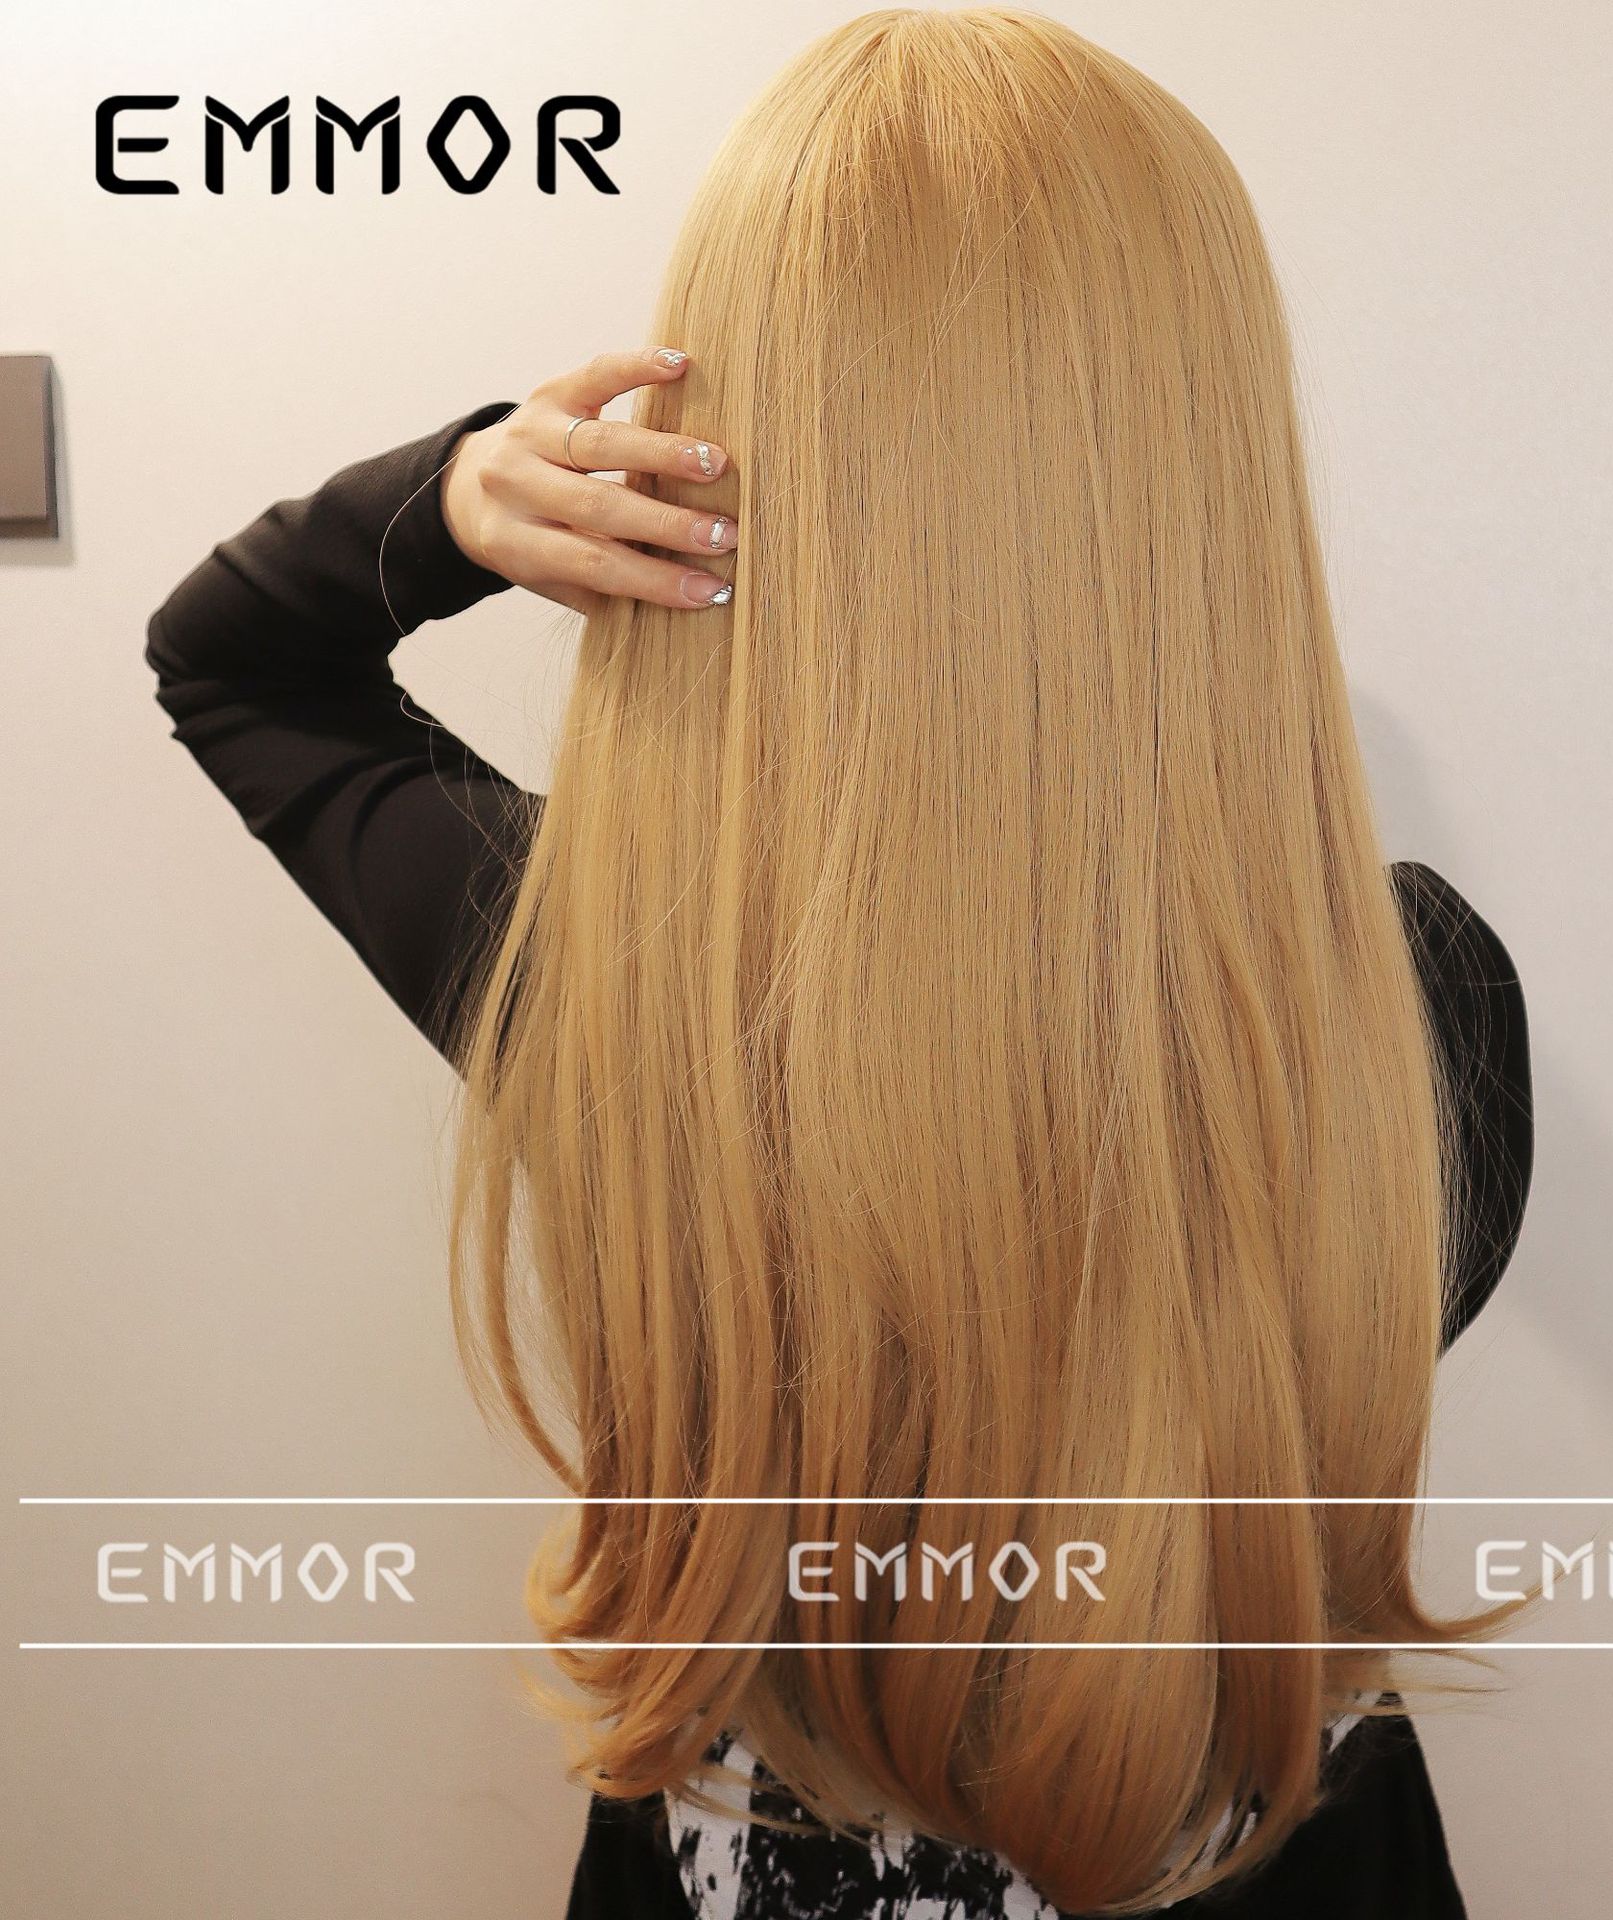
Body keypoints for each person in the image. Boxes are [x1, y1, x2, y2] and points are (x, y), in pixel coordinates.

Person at [146, 10, 1533, 1916]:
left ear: (722, 449)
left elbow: (230, 660)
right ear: (1208, 476)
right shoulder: (1409, 1016)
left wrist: (461, 499)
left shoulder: (616, 990)